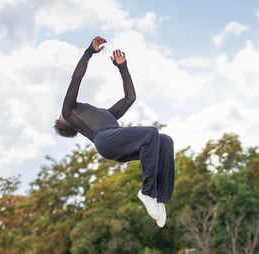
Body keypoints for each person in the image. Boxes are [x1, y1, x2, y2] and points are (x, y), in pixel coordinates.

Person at [54, 36, 173, 228]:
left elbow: (130, 98)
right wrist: (89, 52)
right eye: (60, 116)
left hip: (116, 143)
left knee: (164, 141)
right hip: (105, 139)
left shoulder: (107, 114)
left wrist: (123, 68)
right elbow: (76, 78)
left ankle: (160, 198)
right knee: (151, 133)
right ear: (66, 121)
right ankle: (147, 192)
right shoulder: (70, 110)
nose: (61, 112)